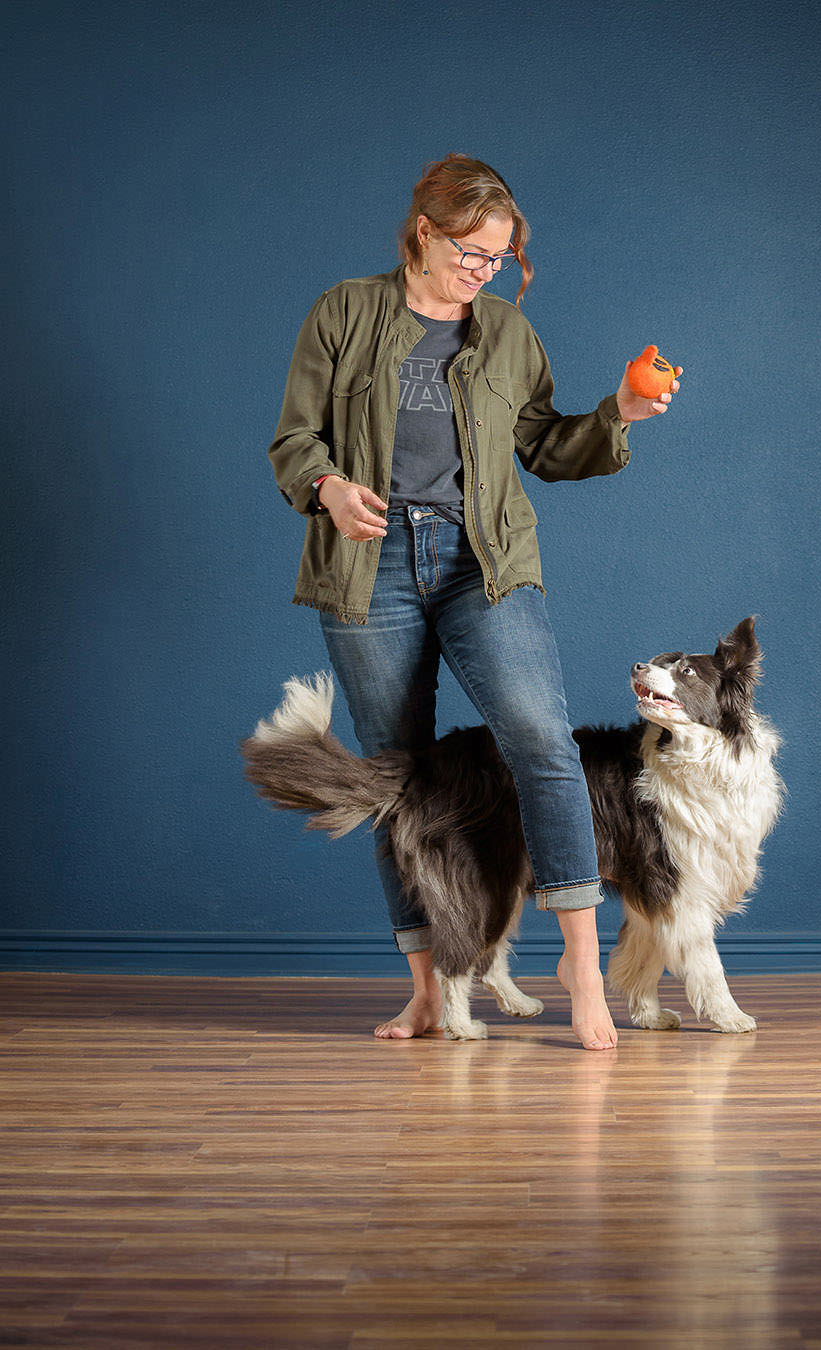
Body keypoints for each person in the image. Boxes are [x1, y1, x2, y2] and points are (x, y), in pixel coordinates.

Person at [268, 153, 681, 1050]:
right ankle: (429, 987)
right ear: (426, 229)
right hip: (365, 563)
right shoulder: (345, 311)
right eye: (471, 251)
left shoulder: (504, 333)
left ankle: (578, 963)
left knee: (539, 735)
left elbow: (543, 443)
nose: (483, 271)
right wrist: (332, 487)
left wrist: (615, 413)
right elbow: (295, 438)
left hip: (480, 558)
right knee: (398, 771)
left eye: (498, 258)